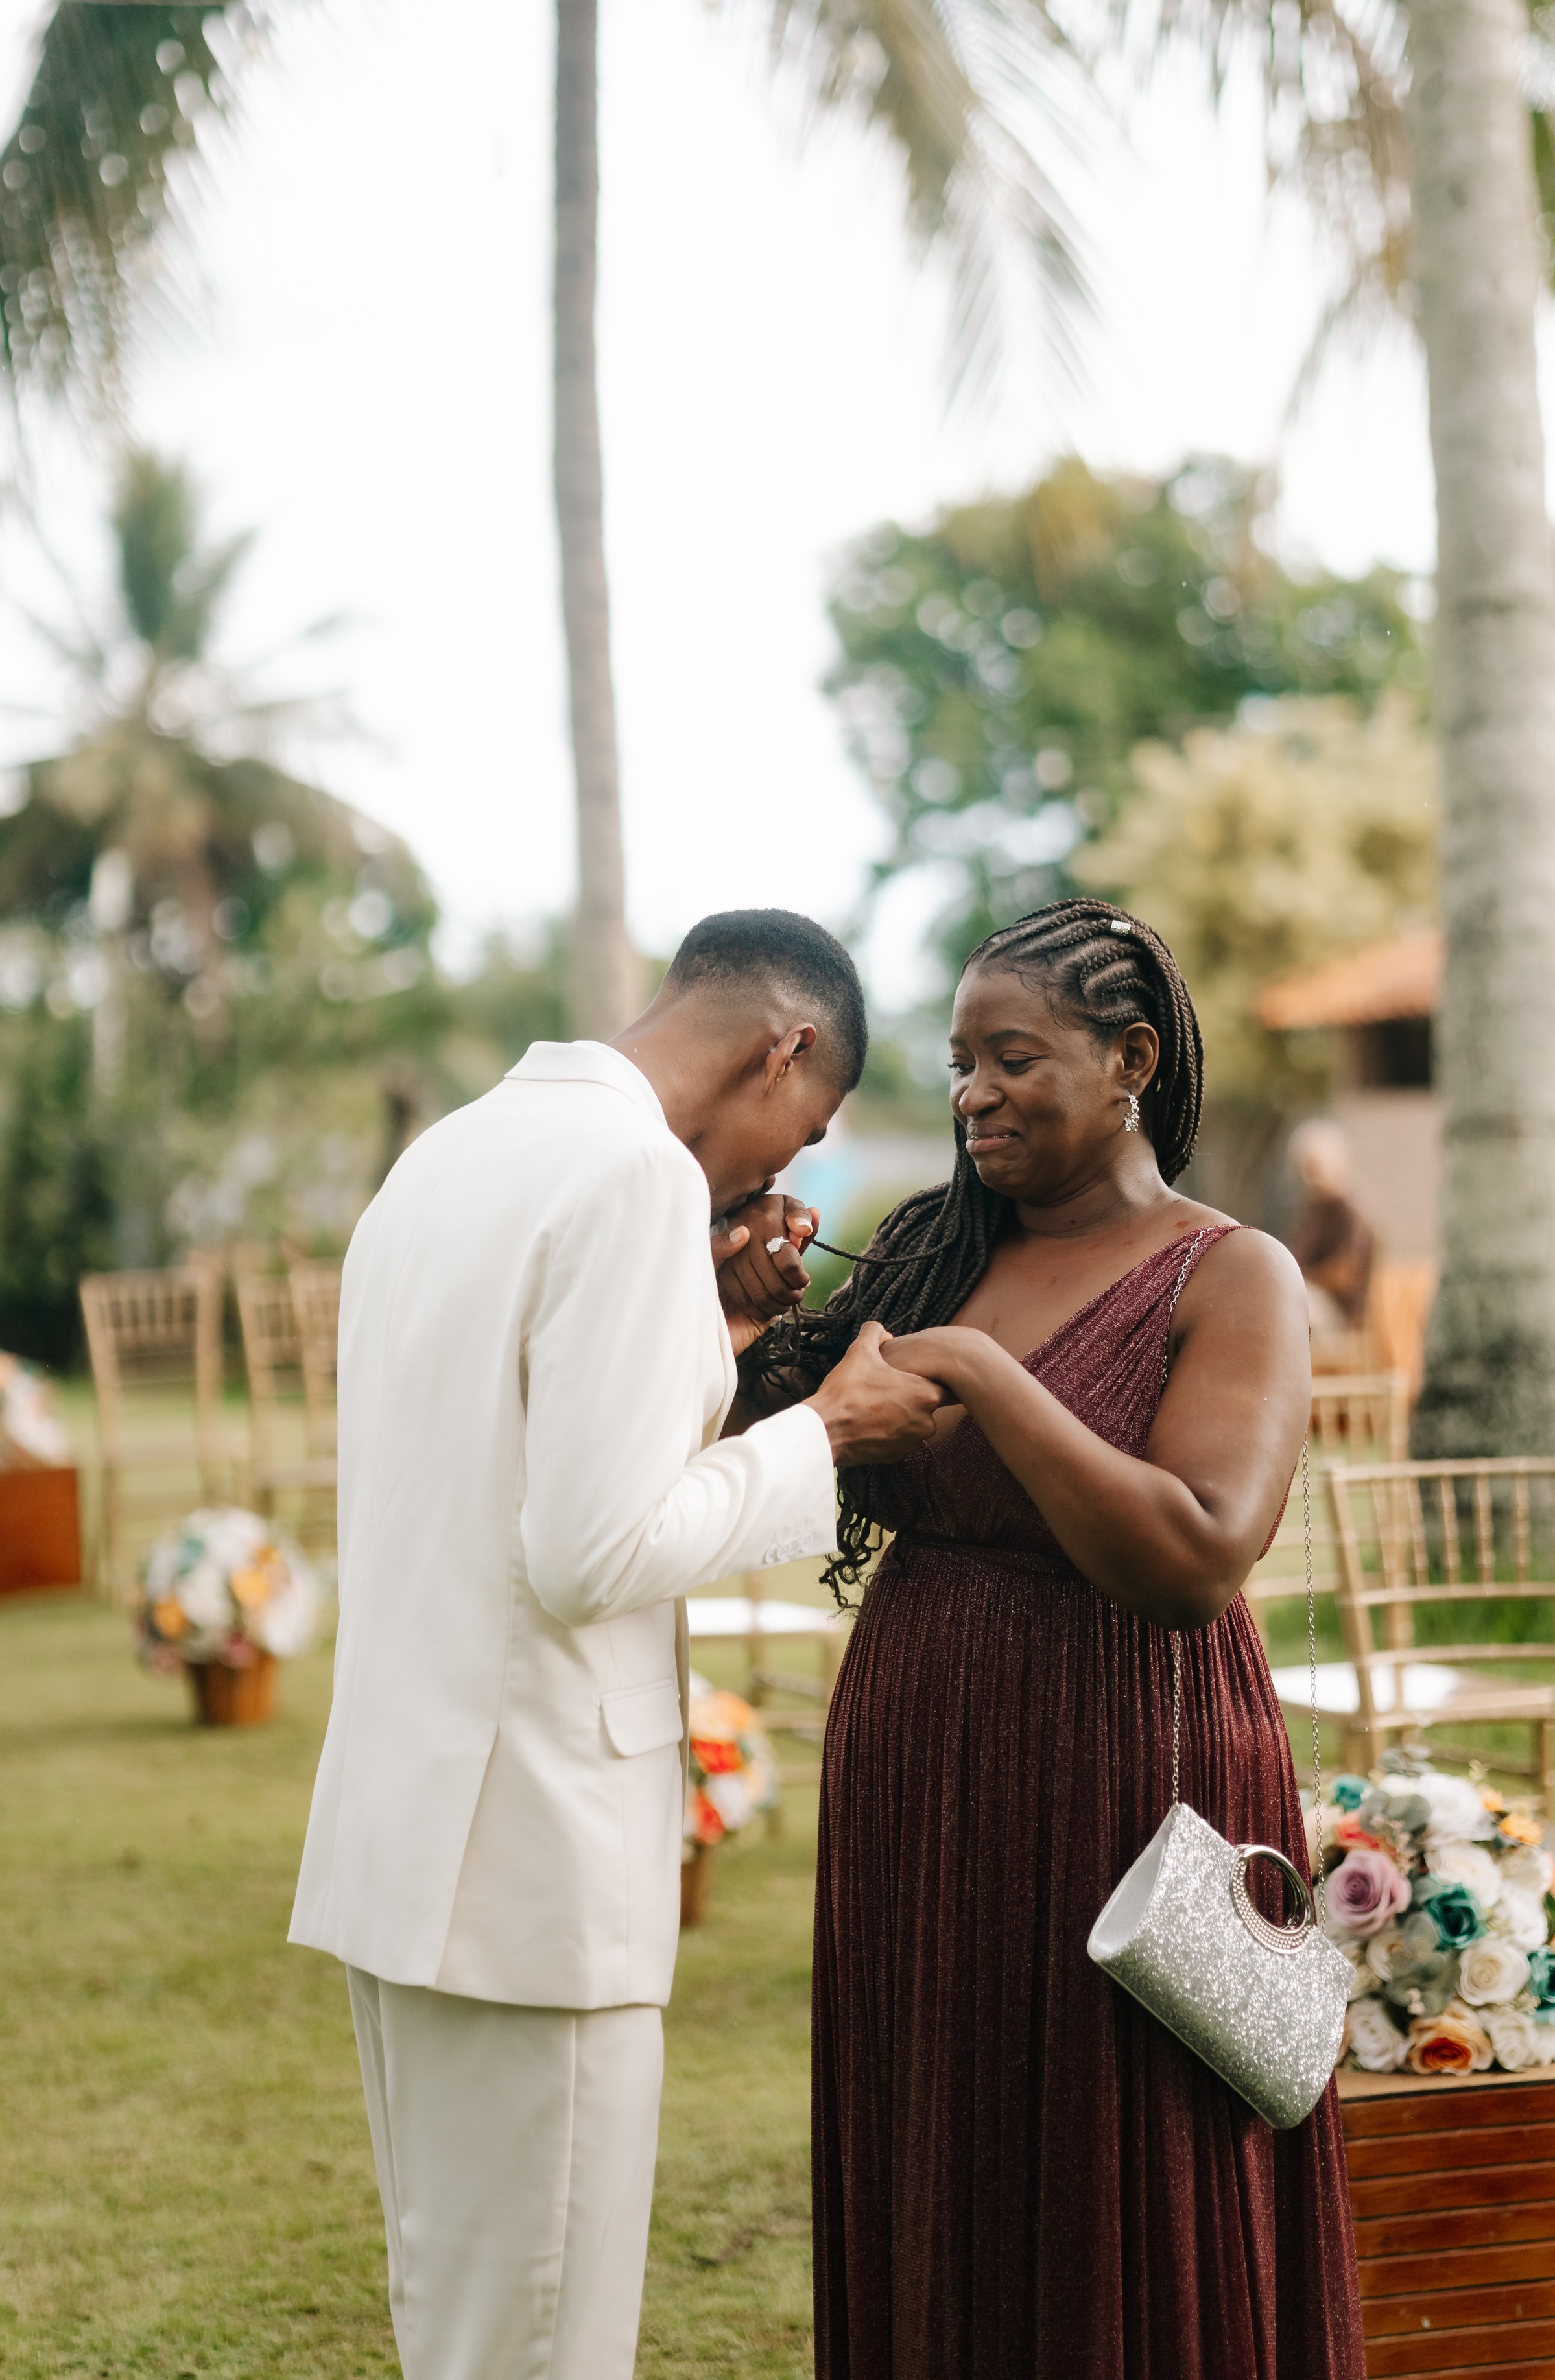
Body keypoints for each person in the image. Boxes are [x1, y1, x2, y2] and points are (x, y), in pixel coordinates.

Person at [290, 908, 943, 2380]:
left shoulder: (452, 1151)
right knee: (540, 2346)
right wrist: (826, 1433)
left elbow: (521, 1456)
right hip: (530, 1865)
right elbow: (592, 1552)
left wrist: (710, 1320)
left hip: (408, 1842)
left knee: (461, 2327)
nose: (786, 1174)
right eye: (810, 1126)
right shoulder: (632, 1172)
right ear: (783, 1046)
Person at [741, 898, 1364, 2380]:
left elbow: (1194, 1555)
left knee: (1121, 2152)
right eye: (958, 1062)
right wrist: (734, 1317)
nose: (968, 1093)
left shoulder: (1229, 1274)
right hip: (923, 1754)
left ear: (1128, 1057)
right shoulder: (931, 1253)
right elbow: (772, 1457)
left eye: (1009, 1057)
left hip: (1125, 1766)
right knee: (946, 2139)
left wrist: (978, 1373)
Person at [1286, 1118, 1375, 1331]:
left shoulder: (1349, 1213)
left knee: (1293, 1308)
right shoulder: (1314, 1211)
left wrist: (1303, 1279)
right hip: (1311, 1297)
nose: (1309, 1178)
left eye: (1314, 1169)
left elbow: (1345, 1274)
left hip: (1339, 1317)